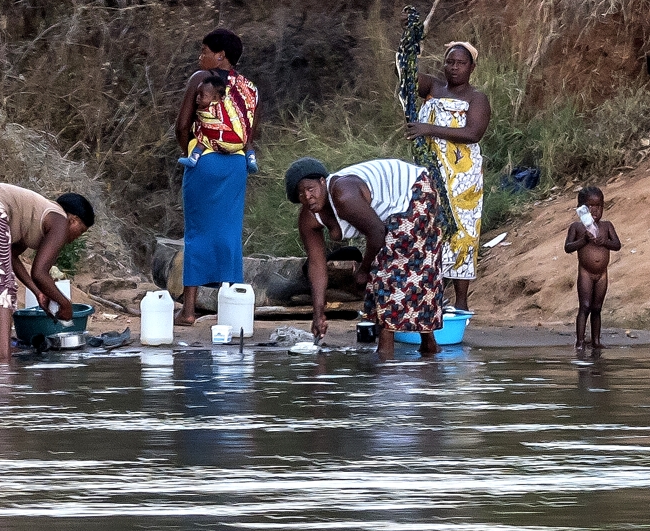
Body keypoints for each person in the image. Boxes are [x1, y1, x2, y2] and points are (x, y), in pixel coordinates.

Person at [285, 154, 445, 356]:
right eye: (300, 194)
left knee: (390, 272)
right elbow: (317, 264)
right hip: (389, 216)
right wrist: (318, 314)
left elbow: (377, 233)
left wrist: (363, 270)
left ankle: (386, 351)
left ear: (323, 182)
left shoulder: (343, 195)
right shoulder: (308, 218)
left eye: (310, 189)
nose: (307, 197)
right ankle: (428, 345)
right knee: (397, 272)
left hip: (415, 190)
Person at [0, 182, 95, 362]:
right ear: (73, 219)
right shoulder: (60, 221)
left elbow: (10, 256)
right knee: (2, 283)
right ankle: (3, 358)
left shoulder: (34, 216)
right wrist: (65, 304)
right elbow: (40, 273)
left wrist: (38, 292)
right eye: (80, 231)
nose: (75, 239)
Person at [174, 27, 260, 326]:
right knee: (229, 233)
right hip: (237, 165)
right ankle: (231, 307)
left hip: (206, 162)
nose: (201, 57)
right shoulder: (250, 87)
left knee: (197, 233)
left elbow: (182, 125)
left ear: (220, 55)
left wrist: (192, 151)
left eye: (205, 51)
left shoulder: (202, 79)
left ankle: (188, 311)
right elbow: (250, 131)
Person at [410, 41, 491, 314]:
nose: (454, 68)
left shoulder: (476, 98)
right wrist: (411, 43)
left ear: (472, 67)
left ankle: (461, 301)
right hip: (430, 173)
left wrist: (428, 128)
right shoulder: (432, 87)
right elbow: (403, 74)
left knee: (462, 231)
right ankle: (432, 296)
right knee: (430, 230)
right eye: (450, 62)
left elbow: (473, 133)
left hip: (463, 177)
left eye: (461, 63)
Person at [564, 185, 623, 353]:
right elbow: (568, 247)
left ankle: (596, 341)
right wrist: (583, 240)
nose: (595, 210)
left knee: (597, 308)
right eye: (590, 206)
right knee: (585, 306)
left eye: (599, 206)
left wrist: (605, 242)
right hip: (586, 273)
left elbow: (617, 245)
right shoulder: (577, 227)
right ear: (581, 209)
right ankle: (580, 342)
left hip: (602, 274)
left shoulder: (607, 226)